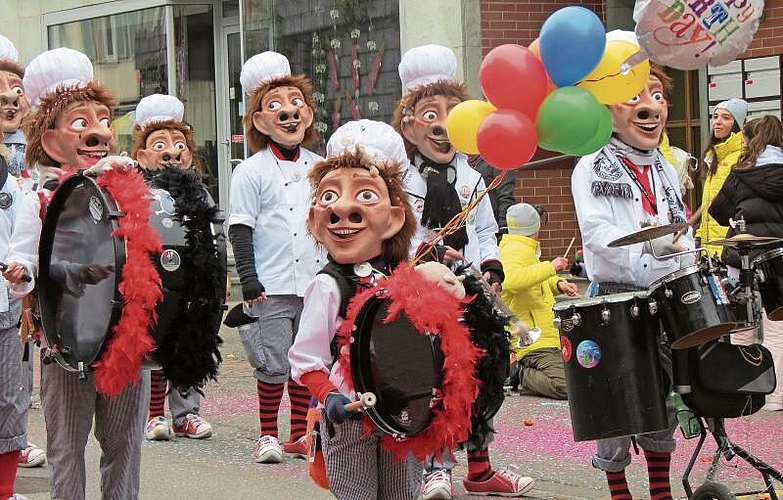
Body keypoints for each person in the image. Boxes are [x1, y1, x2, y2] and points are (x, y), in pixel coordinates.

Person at [2, 47, 147, 500]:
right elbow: (28, 267)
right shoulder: (37, 197)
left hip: (126, 337)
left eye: (104, 119)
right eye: (82, 122)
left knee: (125, 445)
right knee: (66, 447)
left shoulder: (131, 187)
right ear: (49, 140)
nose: (100, 131)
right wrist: (23, 271)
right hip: (64, 341)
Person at [393, 44, 533, 499]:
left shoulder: (472, 176)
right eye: (429, 113)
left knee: (484, 376)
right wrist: (427, 261)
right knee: (436, 381)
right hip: (425, 296)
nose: (441, 124)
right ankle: (437, 467)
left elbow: (487, 230)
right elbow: (395, 238)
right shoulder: (397, 178)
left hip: (471, 291)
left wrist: (491, 267)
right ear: (409, 122)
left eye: (452, 112)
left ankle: (480, 467)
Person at [571, 61, 695, 500]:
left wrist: (683, 249)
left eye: (658, 96)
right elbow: (598, 234)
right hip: (614, 299)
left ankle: (660, 491)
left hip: (662, 297)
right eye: (637, 96)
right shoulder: (590, 166)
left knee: (661, 398)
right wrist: (647, 249)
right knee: (614, 405)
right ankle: (618, 491)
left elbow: (681, 226)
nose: (651, 107)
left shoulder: (665, 166)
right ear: (608, 109)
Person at [289, 119, 425, 499]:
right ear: (317, 220)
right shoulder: (328, 285)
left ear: (394, 217)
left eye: (365, 196)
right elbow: (306, 358)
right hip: (350, 413)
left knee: (402, 495)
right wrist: (330, 397)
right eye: (330, 196)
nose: (344, 209)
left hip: (401, 409)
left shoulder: (405, 278)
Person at [228, 51, 324, 463]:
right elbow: (240, 226)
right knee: (271, 362)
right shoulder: (249, 171)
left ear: (307, 113)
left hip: (316, 282)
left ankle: (299, 434)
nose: (288, 112)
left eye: (295, 103)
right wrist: (249, 279)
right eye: (275, 106)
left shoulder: (322, 167)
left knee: (304, 362)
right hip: (271, 283)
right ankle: (268, 434)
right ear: (260, 121)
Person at [130, 94, 218, 441]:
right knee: (151, 338)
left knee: (187, 336)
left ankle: (186, 414)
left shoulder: (199, 192)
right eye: (160, 144)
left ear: (190, 154)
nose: (171, 151)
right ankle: (153, 414)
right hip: (149, 277)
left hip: (190, 279)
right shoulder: (136, 189)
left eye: (179, 144)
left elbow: (212, 234)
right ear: (142, 155)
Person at [708, 114, 783, 412]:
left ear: (752, 140)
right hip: (780, 258)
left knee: (742, 328)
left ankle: (746, 392)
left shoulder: (740, 173)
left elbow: (717, 211)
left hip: (745, 259)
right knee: (778, 327)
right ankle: (777, 397)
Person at [0, 35, 45, 473]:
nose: (11, 104)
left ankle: (18, 442)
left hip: (18, 277)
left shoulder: (34, 146)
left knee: (16, 375)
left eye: (18, 95)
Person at [499, 203, 578, 400]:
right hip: (532, 340)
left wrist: (558, 284)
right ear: (535, 227)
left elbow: (534, 282)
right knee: (567, 386)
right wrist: (550, 267)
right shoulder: (515, 250)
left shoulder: (523, 248)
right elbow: (510, 280)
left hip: (545, 336)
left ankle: (523, 371)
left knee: (579, 377)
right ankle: (521, 375)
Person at [696, 98, 747, 259]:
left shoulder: (743, 156)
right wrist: (699, 235)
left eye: (726, 118)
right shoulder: (713, 155)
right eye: (715, 116)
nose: (717, 122)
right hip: (709, 246)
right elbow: (708, 204)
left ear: (737, 124)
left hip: (729, 246)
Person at [468, 155, 516, 241]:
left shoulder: (499, 160)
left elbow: (506, 196)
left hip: (491, 227)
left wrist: (503, 227)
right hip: (468, 225)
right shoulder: (463, 161)